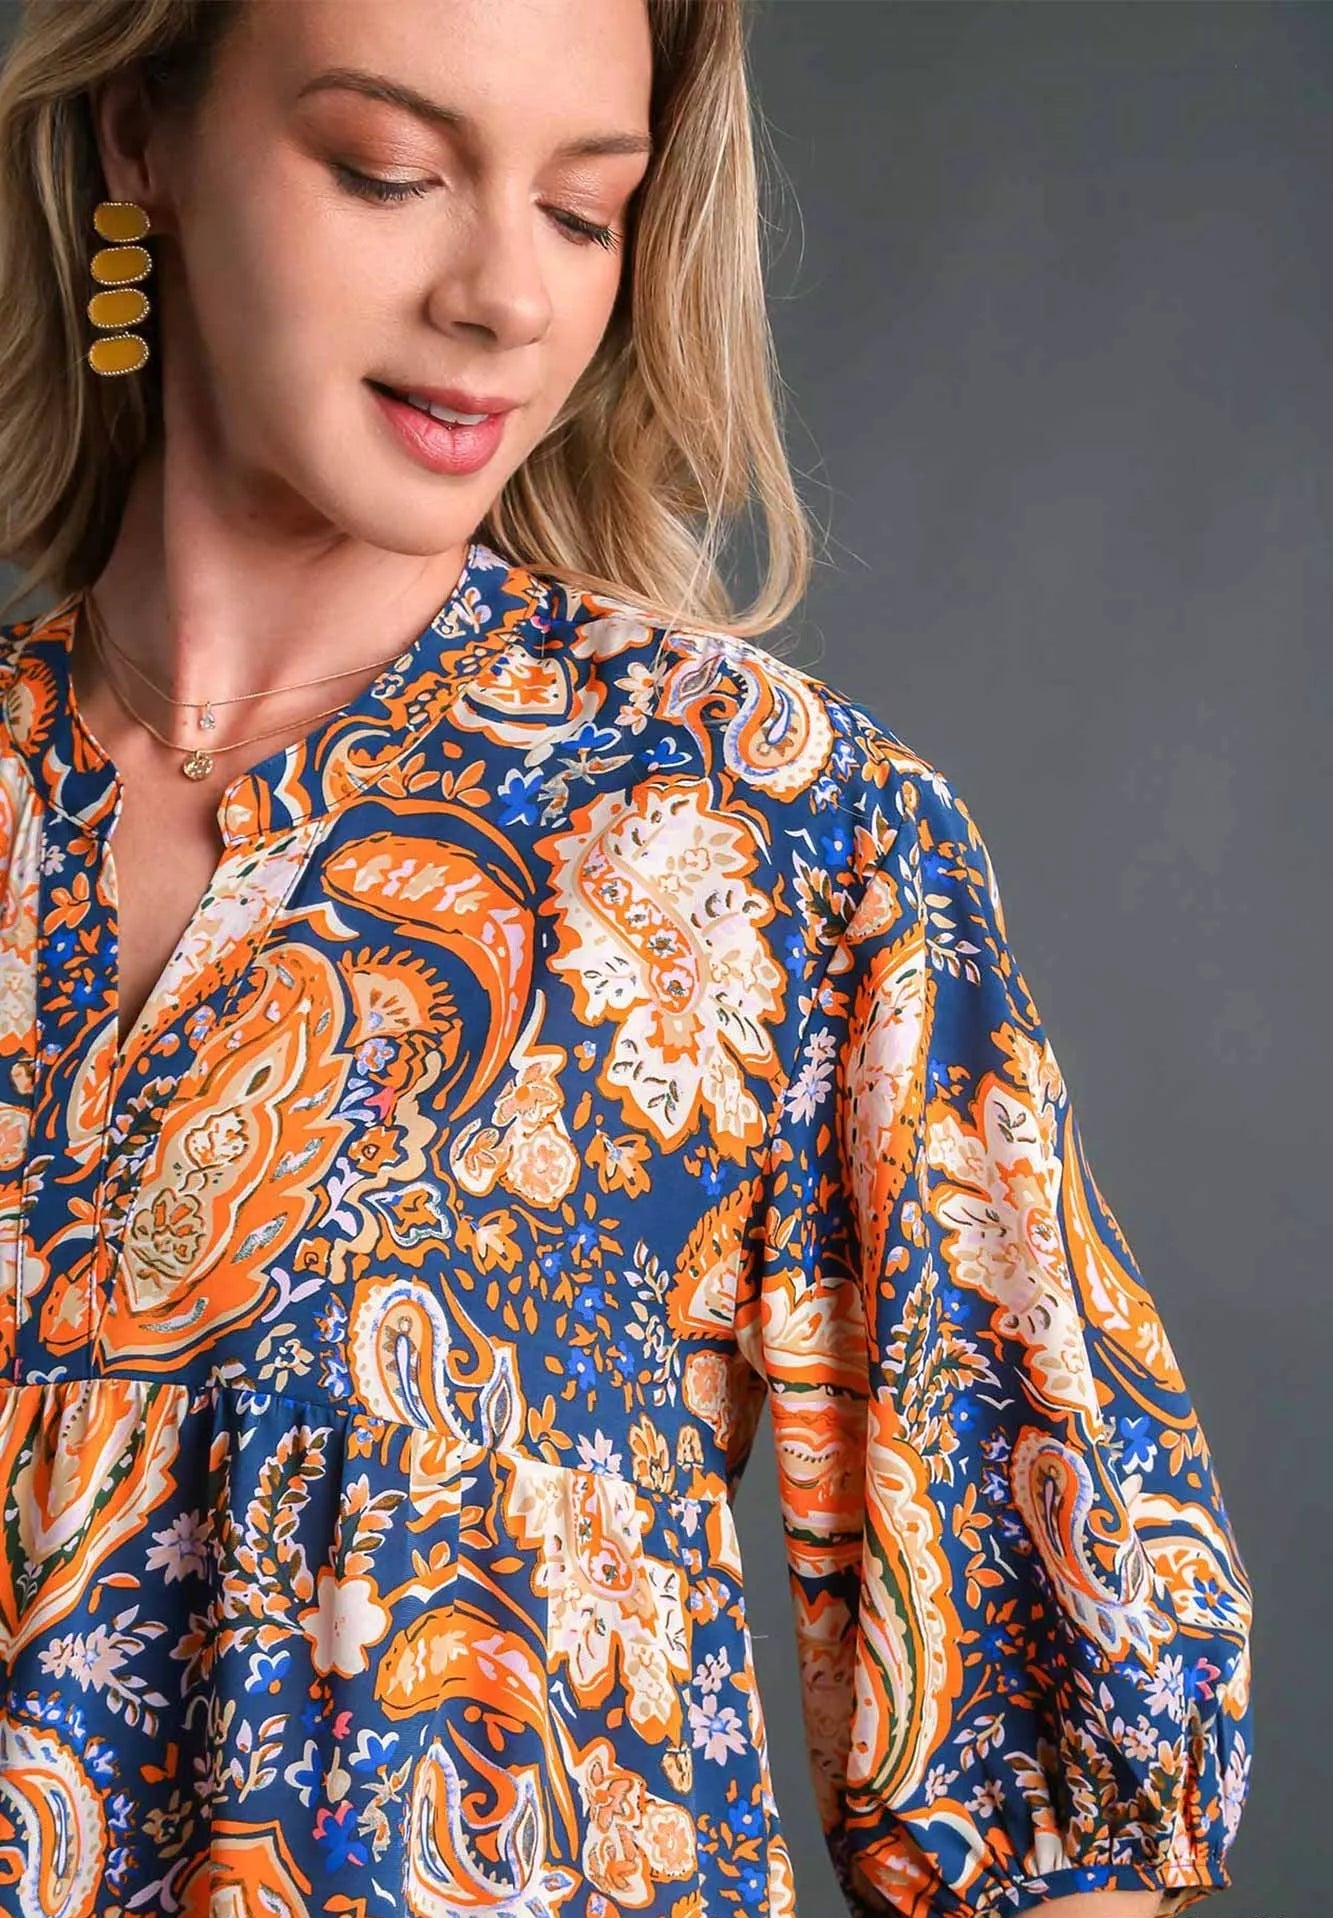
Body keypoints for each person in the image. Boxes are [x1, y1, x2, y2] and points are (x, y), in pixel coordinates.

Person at [0, 2, 1252, 1915]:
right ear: (136, 140)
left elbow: (1048, 1772)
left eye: (585, 209)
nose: (505, 294)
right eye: (389, 171)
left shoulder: (769, 835)